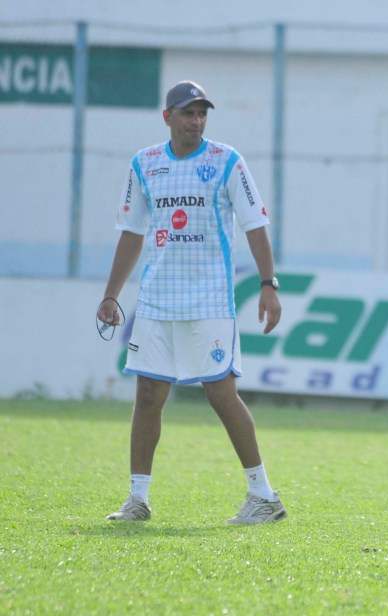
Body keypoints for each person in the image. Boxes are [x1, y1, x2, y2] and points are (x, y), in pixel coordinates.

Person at [97, 80, 286, 525]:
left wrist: (268, 284)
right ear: (168, 117)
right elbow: (132, 233)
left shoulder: (226, 161)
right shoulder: (145, 164)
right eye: (188, 113)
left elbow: (255, 224)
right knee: (148, 396)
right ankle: (137, 499)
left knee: (221, 394)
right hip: (157, 303)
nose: (196, 121)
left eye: (202, 113)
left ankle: (263, 496)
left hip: (209, 301)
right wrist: (111, 294)